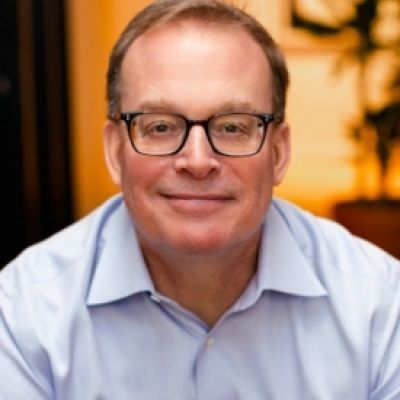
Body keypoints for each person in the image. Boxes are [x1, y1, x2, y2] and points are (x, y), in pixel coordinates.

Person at [1, 0, 399, 398]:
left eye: (231, 127)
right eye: (159, 126)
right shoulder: (25, 316)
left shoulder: (380, 310)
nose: (197, 161)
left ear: (278, 154)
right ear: (114, 152)